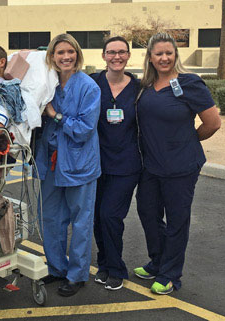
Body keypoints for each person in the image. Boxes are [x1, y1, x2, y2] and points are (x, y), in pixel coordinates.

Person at [134, 32, 221, 295]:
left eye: (168, 53)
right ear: (150, 57)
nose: (164, 58)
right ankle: (158, 261)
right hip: (151, 165)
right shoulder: (146, 87)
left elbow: (213, 123)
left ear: (175, 55)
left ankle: (170, 275)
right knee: (148, 213)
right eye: (158, 53)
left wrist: (187, 141)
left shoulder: (189, 83)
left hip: (181, 166)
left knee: (176, 220)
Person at [35, 34, 101, 297]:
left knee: (81, 221)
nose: (65, 57)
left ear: (77, 54)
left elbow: (85, 129)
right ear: (51, 57)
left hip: (78, 163)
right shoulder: (47, 86)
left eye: (70, 52)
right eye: (59, 52)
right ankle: (57, 268)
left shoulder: (88, 87)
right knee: (50, 218)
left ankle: (77, 275)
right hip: (50, 162)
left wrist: (55, 115)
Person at [90, 36, 141, 291]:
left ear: (128, 55)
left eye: (122, 52)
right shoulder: (93, 83)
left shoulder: (140, 87)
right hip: (96, 163)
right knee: (98, 217)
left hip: (127, 164)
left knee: (111, 215)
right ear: (104, 56)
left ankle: (117, 268)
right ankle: (104, 263)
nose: (116, 57)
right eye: (111, 52)